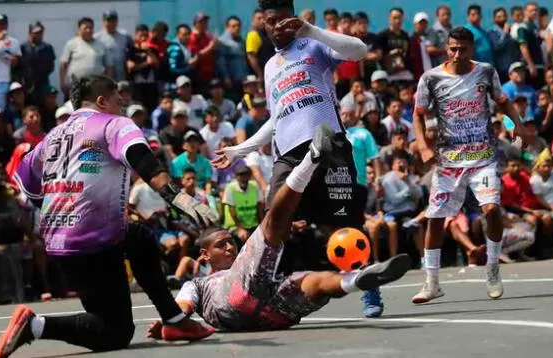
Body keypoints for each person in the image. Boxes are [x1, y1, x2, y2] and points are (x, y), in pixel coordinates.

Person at [0, 75, 221, 358]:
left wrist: (62, 209)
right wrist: (179, 197)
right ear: (102, 101)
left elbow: (27, 184)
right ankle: (35, 326)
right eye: (118, 100)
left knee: (138, 237)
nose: (123, 107)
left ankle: (174, 320)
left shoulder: (52, 135)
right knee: (115, 332)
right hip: (92, 241)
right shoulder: (113, 123)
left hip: (60, 240)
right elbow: (143, 160)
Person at [147, 124, 411, 335]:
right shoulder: (199, 284)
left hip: (272, 314)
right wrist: (173, 322)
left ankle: (356, 280)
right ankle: (311, 159)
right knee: (270, 227)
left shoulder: (245, 265)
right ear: (203, 256)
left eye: (229, 242)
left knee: (312, 282)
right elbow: (183, 304)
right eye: (221, 245)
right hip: (233, 299)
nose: (230, 246)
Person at [212, 0, 384, 318]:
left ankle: (368, 284)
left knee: (342, 224)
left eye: (279, 20)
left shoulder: (313, 44)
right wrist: (241, 150)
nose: (274, 27)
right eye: (267, 22)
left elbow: (359, 51)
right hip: (287, 156)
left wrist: (310, 29)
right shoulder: (268, 66)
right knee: (275, 219)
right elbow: (275, 119)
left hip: (329, 146)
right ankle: (262, 290)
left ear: (291, 19)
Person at [412, 26, 523, 303]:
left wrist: (516, 123)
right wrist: (424, 146)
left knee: (492, 211)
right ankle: (432, 282)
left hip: (483, 158)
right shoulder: (431, 77)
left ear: (472, 49)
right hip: (449, 162)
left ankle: (493, 269)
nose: (457, 54)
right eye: (452, 49)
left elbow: (503, 102)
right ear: (447, 48)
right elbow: (418, 114)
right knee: (435, 219)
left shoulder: (485, 71)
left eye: (462, 49)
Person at [60, 18, 113, 98]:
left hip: (95, 87)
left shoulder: (101, 45)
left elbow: (109, 66)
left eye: (91, 28)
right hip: (75, 86)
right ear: (79, 29)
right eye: (85, 28)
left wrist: (108, 83)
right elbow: (63, 65)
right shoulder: (71, 44)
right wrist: (62, 83)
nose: (88, 30)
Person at [221, 162, 264, 243]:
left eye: (246, 174)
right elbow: (232, 210)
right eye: (240, 175)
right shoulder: (230, 188)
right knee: (243, 237)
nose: (243, 177)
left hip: (252, 224)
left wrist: (262, 224)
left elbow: (259, 206)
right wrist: (240, 228)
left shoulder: (254, 186)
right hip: (235, 225)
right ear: (236, 176)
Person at [20, 22, 56, 106]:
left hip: (43, 82)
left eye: (40, 33)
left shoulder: (47, 47)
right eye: (35, 33)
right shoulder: (23, 47)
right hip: (28, 84)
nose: (38, 35)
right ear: (30, 33)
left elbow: (51, 65)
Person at [127, 24, 159, 113]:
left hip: (151, 85)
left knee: (151, 109)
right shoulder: (131, 50)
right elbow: (131, 67)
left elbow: (156, 63)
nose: (144, 38)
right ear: (136, 35)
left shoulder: (152, 49)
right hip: (137, 85)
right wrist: (146, 64)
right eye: (141, 36)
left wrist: (148, 51)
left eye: (146, 36)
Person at [378, 8, 414, 82]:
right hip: (388, 74)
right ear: (389, 18)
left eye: (399, 18)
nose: (397, 21)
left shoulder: (405, 35)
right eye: (394, 18)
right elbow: (379, 56)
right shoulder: (383, 35)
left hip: (403, 73)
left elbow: (408, 54)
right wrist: (392, 53)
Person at [94, 10, 132, 82]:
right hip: (105, 75)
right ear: (103, 21)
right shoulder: (96, 38)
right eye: (109, 21)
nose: (111, 23)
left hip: (122, 76)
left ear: (117, 21)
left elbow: (132, 51)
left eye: (114, 21)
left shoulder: (125, 35)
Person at [488, 7, 521, 82]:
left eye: (504, 16)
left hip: (514, 69)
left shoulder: (512, 30)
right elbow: (496, 47)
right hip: (502, 70)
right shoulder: (492, 33)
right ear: (494, 19)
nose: (502, 19)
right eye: (499, 17)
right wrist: (505, 33)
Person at [517, 2, 546, 89]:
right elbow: (523, 47)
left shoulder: (534, 26)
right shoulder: (523, 27)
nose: (534, 12)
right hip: (530, 68)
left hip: (540, 65)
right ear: (525, 12)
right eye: (531, 10)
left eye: (536, 10)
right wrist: (530, 65)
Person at [217, 16, 249, 91]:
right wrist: (226, 78)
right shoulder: (223, 42)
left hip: (243, 80)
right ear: (227, 28)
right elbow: (221, 62)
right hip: (231, 82)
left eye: (238, 26)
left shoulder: (241, 41)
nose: (237, 28)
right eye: (233, 26)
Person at [189, 12, 217, 86]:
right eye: (201, 22)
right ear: (196, 23)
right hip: (198, 75)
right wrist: (210, 47)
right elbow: (196, 56)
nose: (204, 24)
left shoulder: (207, 36)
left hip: (210, 74)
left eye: (205, 22)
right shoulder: (192, 37)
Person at [245, 9, 274, 79]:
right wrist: (260, 74)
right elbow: (252, 57)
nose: (262, 21)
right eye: (259, 18)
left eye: (263, 18)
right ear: (253, 21)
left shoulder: (266, 33)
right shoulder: (253, 35)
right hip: (263, 75)